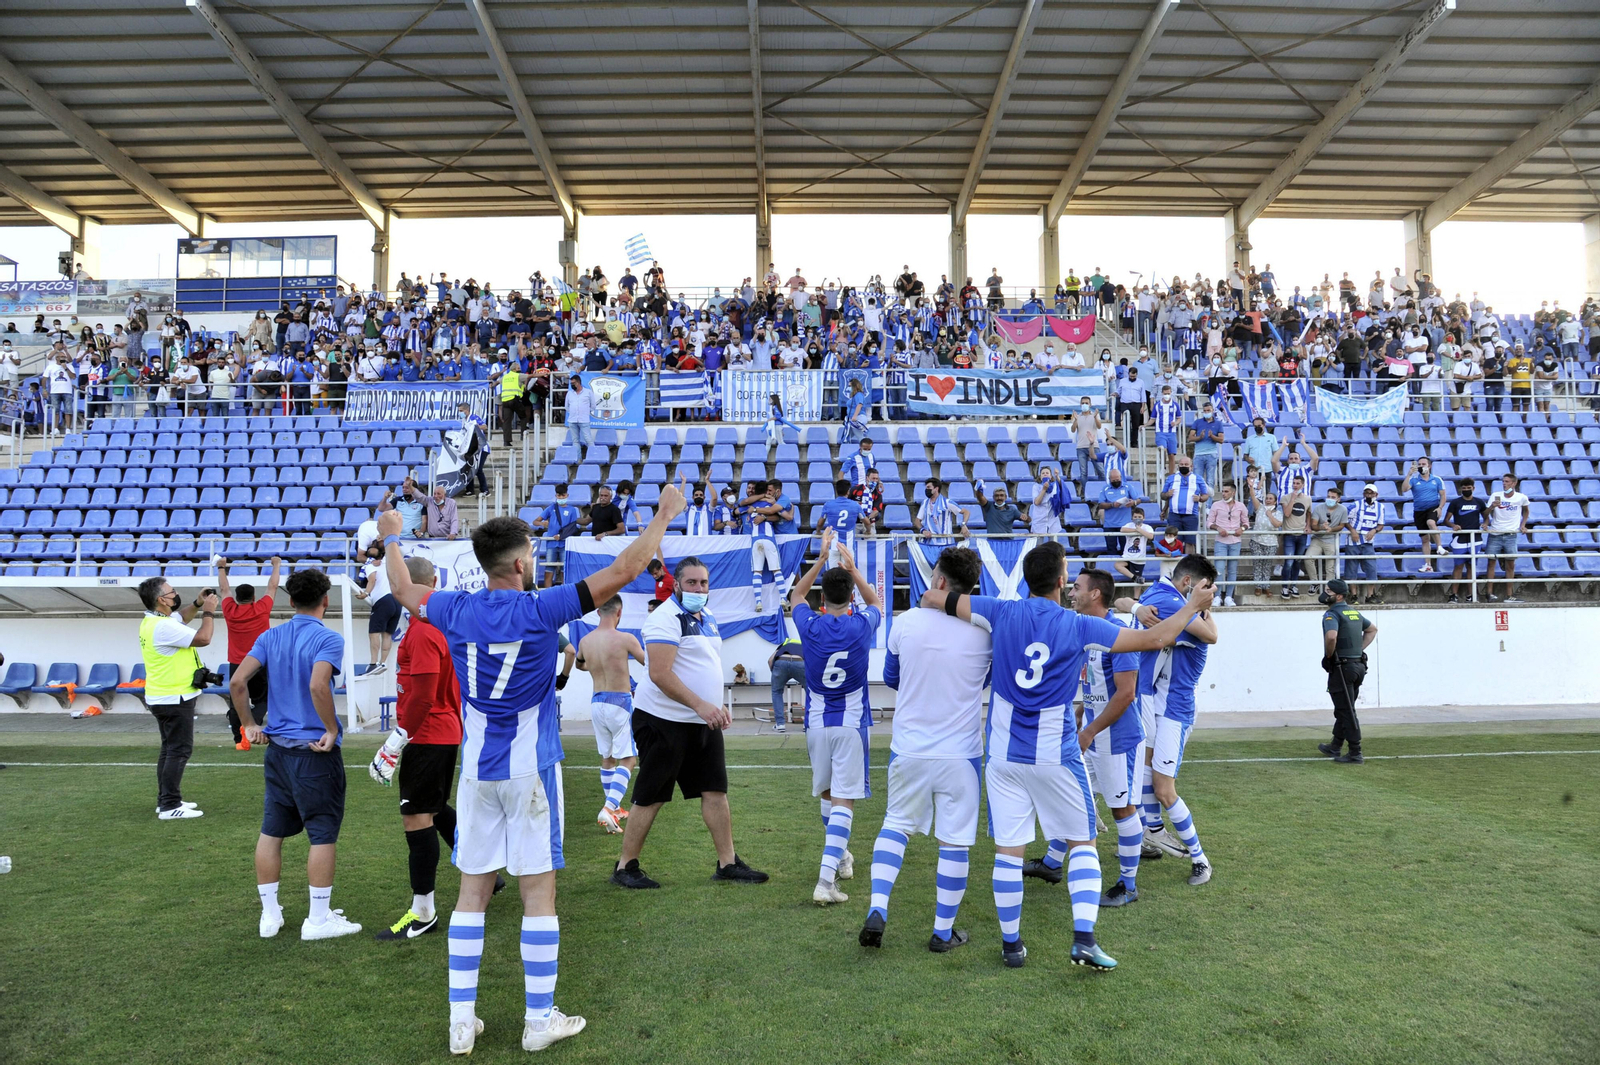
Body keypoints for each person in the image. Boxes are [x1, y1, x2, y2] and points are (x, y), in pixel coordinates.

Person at [378, 489, 681, 1056]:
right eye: (533, 553)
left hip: (476, 773)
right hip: (532, 771)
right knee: (538, 893)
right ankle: (538, 1019)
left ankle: (460, 1024)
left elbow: (399, 589)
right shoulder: (544, 608)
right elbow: (627, 568)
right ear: (519, 563)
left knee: (472, 893)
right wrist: (664, 514)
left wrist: (392, 533)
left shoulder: (455, 608)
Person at [923, 540, 1215, 970]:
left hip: (1003, 756)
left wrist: (940, 597)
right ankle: (1083, 939)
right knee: (1084, 842)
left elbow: (935, 597)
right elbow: (1158, 638)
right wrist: (1191, 605)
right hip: (1057, 754)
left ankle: (1012, 946)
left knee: (1008, 851)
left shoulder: (1001, 611)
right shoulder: (1079, 625)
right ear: (1061, 581)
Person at [610, 555, 770, 891]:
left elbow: (705, 665)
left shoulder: (708, 616)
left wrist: (715, 707)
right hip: (662, 720)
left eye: (704, 583)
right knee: (651, 794)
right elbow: (659, 673)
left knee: (715, 790)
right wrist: (700, 705)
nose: (699, 588)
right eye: (692, 583)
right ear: (677, 584)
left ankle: (727, 864)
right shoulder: (665, 618)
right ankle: (626, 866)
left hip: (700, 721)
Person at [859, 546, 989, 953]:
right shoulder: (985, 629)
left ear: (939, 583)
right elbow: (986, 682)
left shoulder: (907, 622)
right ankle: (942, 931)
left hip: (910, 747)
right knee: (954, 842)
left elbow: (891, 676)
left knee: (895, 825)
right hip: (961, 753)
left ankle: (878, 907)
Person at [230, 568, 355, 941]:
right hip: (312, 752)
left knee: (272, 831)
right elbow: (319, 683)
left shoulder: (271, 635)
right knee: (322, 834)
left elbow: (237, 682)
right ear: (325, 601)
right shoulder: (328, 638)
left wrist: (250, 724)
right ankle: (318, 920)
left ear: (290, 600)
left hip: (278, 753)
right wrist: (332, 729)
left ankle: (270, 916)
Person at [1022, 568, 1145, 908]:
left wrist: (1089, 730)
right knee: (1071, 798)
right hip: (1092, 734)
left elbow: (1126, 693)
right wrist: (1082, 712)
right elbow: (1097, 684)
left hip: (1115, 739)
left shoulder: (1119, 633)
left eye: (1077, 588)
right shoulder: (1085, 631)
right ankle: (1051, 864)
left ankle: (1128, 884)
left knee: (1122, 809)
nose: (1071, 592)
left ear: (1096, 594)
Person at [365, 556, 473, 942]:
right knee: (435, 806)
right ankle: (484, 873)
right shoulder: (434, 625)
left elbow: (424, 695)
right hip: (440, 733)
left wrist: (397, 739)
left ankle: (423, 912)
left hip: (427, 735)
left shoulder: (424, 631)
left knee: (417, 818)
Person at [786, 528, 883, 906]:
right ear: (851, 595)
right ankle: (826, 882)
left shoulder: (809, 624)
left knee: (829, 795)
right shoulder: (861, 625)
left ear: (822, 597)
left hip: (816, 724)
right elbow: (876, 603)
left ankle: (841, 856)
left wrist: (822, 559)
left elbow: (795, 595)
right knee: (844, 800)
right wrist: (854, 570)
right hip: (851, 724)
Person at [1116, 553, 1220, 891]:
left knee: (1161, 787)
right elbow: (1208, 632)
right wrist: (1133, 606)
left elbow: (1209, 635)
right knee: (1143, 773)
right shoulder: (1171, 601)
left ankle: (1199, 858)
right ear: (1190, 583)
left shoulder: (1165, 600)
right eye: (1207, 589)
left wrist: (1133, 606)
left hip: (1175, 709)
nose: (1210, 594)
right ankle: (1154, 833)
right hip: (1157, 701)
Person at [136, 577, 218, 820]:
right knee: (179, 750)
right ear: (161, 599)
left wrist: (197, 602)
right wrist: (209, 612)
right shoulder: (163, 626)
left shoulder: (154, 621)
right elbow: (204, 639)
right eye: (172, 592)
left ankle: (166, 800)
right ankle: (171, 805)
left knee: (169, 750)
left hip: (162, 696)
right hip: (174, 697)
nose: (176, 594)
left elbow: (181, 617)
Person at [578, 596, 646, 834]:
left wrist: (597, 663)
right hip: (620, 701)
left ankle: (612, 811)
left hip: (597, 702)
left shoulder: (586, 640)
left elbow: (580, 664)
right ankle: (609, 807)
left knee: (608, 757)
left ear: (598, 612)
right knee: (629, 759)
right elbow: (649, 662)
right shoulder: (625, 639)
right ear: (620, 612)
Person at [218, 556, 281, 750]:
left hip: (237, 663)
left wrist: (221, 568)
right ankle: (253, 725)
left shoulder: (230, 610)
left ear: (237, 598)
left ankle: (239, 739)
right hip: (260, 661)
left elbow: (223, 589)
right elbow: (272, 586)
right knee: (262, 698)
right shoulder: (261, 608)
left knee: (238, 699)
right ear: (254, 597)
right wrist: (276, 565)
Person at [1316, 579, 1377, 765]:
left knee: (1346, 710)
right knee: (1345, 707)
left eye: (1329, 591)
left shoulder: (1332, 614)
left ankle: (1355, 752)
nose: (1325, 593)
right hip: (1358, 666)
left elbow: (1332, 637)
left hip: (1342, 668)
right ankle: (1335, 745)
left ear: (1339, 596)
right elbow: (1372, 630)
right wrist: (1359, 649)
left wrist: (1329, 657)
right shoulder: (1354, 613)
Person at [353, 542, 400, 674]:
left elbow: (372, 580)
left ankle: (373, 663)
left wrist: (366, 593)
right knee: (387, 635)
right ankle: (383, 662)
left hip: (383, 600)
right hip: (397, 601)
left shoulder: (370, 566)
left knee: (374, 633)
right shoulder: (390, 563)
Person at [1483, 473, 1530, 604]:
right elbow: (1485, 513)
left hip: (1511, 534)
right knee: (1491, 563)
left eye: (1507, 482)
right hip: (1495, 533)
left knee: (1510, 564)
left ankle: (1509, 595)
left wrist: (1523, 525)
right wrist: (1492, 507)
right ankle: (1489, 594)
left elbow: (1526, 510)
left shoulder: (1521, 498)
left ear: (1514, 483)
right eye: (1503, 481)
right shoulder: (1495, 495)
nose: (1504, 484)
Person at [1401, 457, 1447, 573]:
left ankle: (1440, 547)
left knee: (1431, 522)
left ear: (1429, 466)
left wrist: (1440, 508)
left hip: (1433, 508)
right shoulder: (1414, 479)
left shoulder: (1437, 479)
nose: (1421, 466)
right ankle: (1428, 564)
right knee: (1425, 539)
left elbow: (1443, 495)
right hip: (1419, 511)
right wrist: (1409, 474)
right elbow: (1404, 489)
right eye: (1419, 464)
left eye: (1424, 464)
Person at [1444, 479, 1486, 603]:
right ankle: (1454, 595)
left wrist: (1485, 524)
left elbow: (1486, 518)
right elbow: (1446, 520)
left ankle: (1471, 594)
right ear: (1461, 489)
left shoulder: (1479, 502)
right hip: (1460, 539)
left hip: (1475, 539)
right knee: (1458, 566)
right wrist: (1453, 526)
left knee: (1471, 567)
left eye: (1468, 488)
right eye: (1464, 488)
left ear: (1473, 488)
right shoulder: (1455, 502)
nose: (1466, 490)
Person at [1204, 482, 1246, 606]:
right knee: (1219, 569)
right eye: (1222, 491)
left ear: (1233, 492)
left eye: (1226, 491)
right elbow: (1209, 522)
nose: (1223, 493)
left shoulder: (1241, 506)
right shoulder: (1216, 505)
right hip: (1221, 541)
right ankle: (1217, 596)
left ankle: (1229, 597)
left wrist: (1241, 529)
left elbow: (1246, 523)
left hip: (1235, 541)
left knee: (1232, 570)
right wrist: (1218, 528)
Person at [1345, 483, 1388, 605]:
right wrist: (1353, 530)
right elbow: (1345, 519)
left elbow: (1381, 524)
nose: (1369, 495)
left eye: (1371, 493)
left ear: (1376, 494)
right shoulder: (1355, 505)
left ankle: (1370, 595)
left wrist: (1374, 530)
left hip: (1368, 542)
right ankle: (1353, 595)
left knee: (1371, 569)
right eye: (1367, 493)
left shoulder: (1381, 507)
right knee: (1351, 569)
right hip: (1353, 542)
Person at [767, 617, 805, 735]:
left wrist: (775, 675)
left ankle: (780, 724)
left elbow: (770, 660)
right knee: (811, 692)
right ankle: (807, 724)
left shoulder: (784, 643)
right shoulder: (803, 645)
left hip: (781, 662)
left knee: (777, 692)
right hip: (800, 662)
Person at [1161, 456, 1210, 544]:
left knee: (1190, 542)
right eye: (1181, 464)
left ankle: (1188, 558)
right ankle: (1177, 557)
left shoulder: (1198, 478)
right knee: (1173, 541)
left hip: (1191, 515)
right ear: (1178, 466)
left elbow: (1206, 495)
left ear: (1191, 466)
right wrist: (1167, 495)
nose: (1184, 466)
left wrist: (1200, 498)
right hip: (1174, 515)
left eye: (1186, 464)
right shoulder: (1171, 478)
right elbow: (1162, 495)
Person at [1307, 486, 1348, 585]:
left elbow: (1342, 525)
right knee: (1308, 558)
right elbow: (1314, 525)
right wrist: (1322, 527)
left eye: (1333, 497)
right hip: (1317, 539)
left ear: (1339, 499)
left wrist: (1331, 529)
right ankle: (1314, 583)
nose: (1330, 499)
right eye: (1328, 496)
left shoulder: (1343, 509)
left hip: (1332, 540)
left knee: (1330, 567)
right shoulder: (1319, 508)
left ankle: (1330, 589)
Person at [1114, 506, 1156, 584]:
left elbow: (1151, 536)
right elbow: (1122, 529)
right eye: (1135, 517)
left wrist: (1140, 530)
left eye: (1139, 517)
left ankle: (1136, 596)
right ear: (1132, 518)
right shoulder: (1129, 525)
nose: (1137, 518)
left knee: (1138, 583)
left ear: (1144, 518)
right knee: (1117, 565)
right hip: (1127, 555)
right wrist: (1135, 530)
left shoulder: (1147, 527)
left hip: (1139, 557)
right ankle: (1134, 577)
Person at [1070, 399, 1104, 490]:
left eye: (1086, 403)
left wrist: (1095, 416)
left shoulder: (1095, 415)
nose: (1084, 404)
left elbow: (1099, 426)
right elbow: (1073, 430)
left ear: (1090, 404)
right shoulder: (1077, 416)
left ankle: (1103, 490)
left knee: (1100, 470)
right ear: (1080, 404)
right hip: (1081, 447)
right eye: (1083, 403)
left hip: (1094, 446)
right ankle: (1086, 492)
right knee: (1083, 472)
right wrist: (1076, 420)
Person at [564, 374, 592, 451]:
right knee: (575, 441)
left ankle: (593, 457)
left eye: (573, 383)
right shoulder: (569, 393)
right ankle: (577, 459)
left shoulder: (588, 392)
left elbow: (593, 406)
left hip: (584, 420)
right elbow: (567, 406)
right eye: (571, 384)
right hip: (572, 420)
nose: (572, 385)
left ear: (578, 382)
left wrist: (585, 412)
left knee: (588, 440)